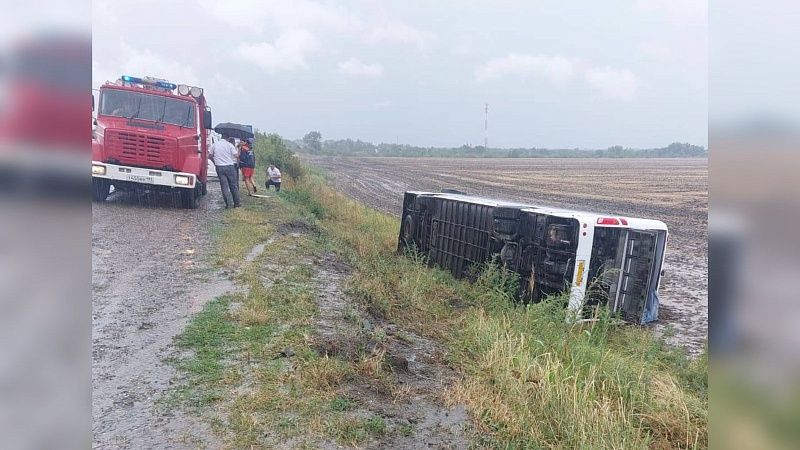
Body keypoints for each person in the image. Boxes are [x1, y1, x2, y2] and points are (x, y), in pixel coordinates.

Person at [208, 137, 241, 208]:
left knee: (224, 186)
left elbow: (210, 156)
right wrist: (239, 149)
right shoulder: (230, 145)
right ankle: (237, 204)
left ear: (221, 137)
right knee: (233, 185)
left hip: (219, 167)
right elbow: (237, 155)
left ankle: (228, 205)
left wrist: (215, 162)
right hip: (230, 167)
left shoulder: (214, 145)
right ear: (227, 138)